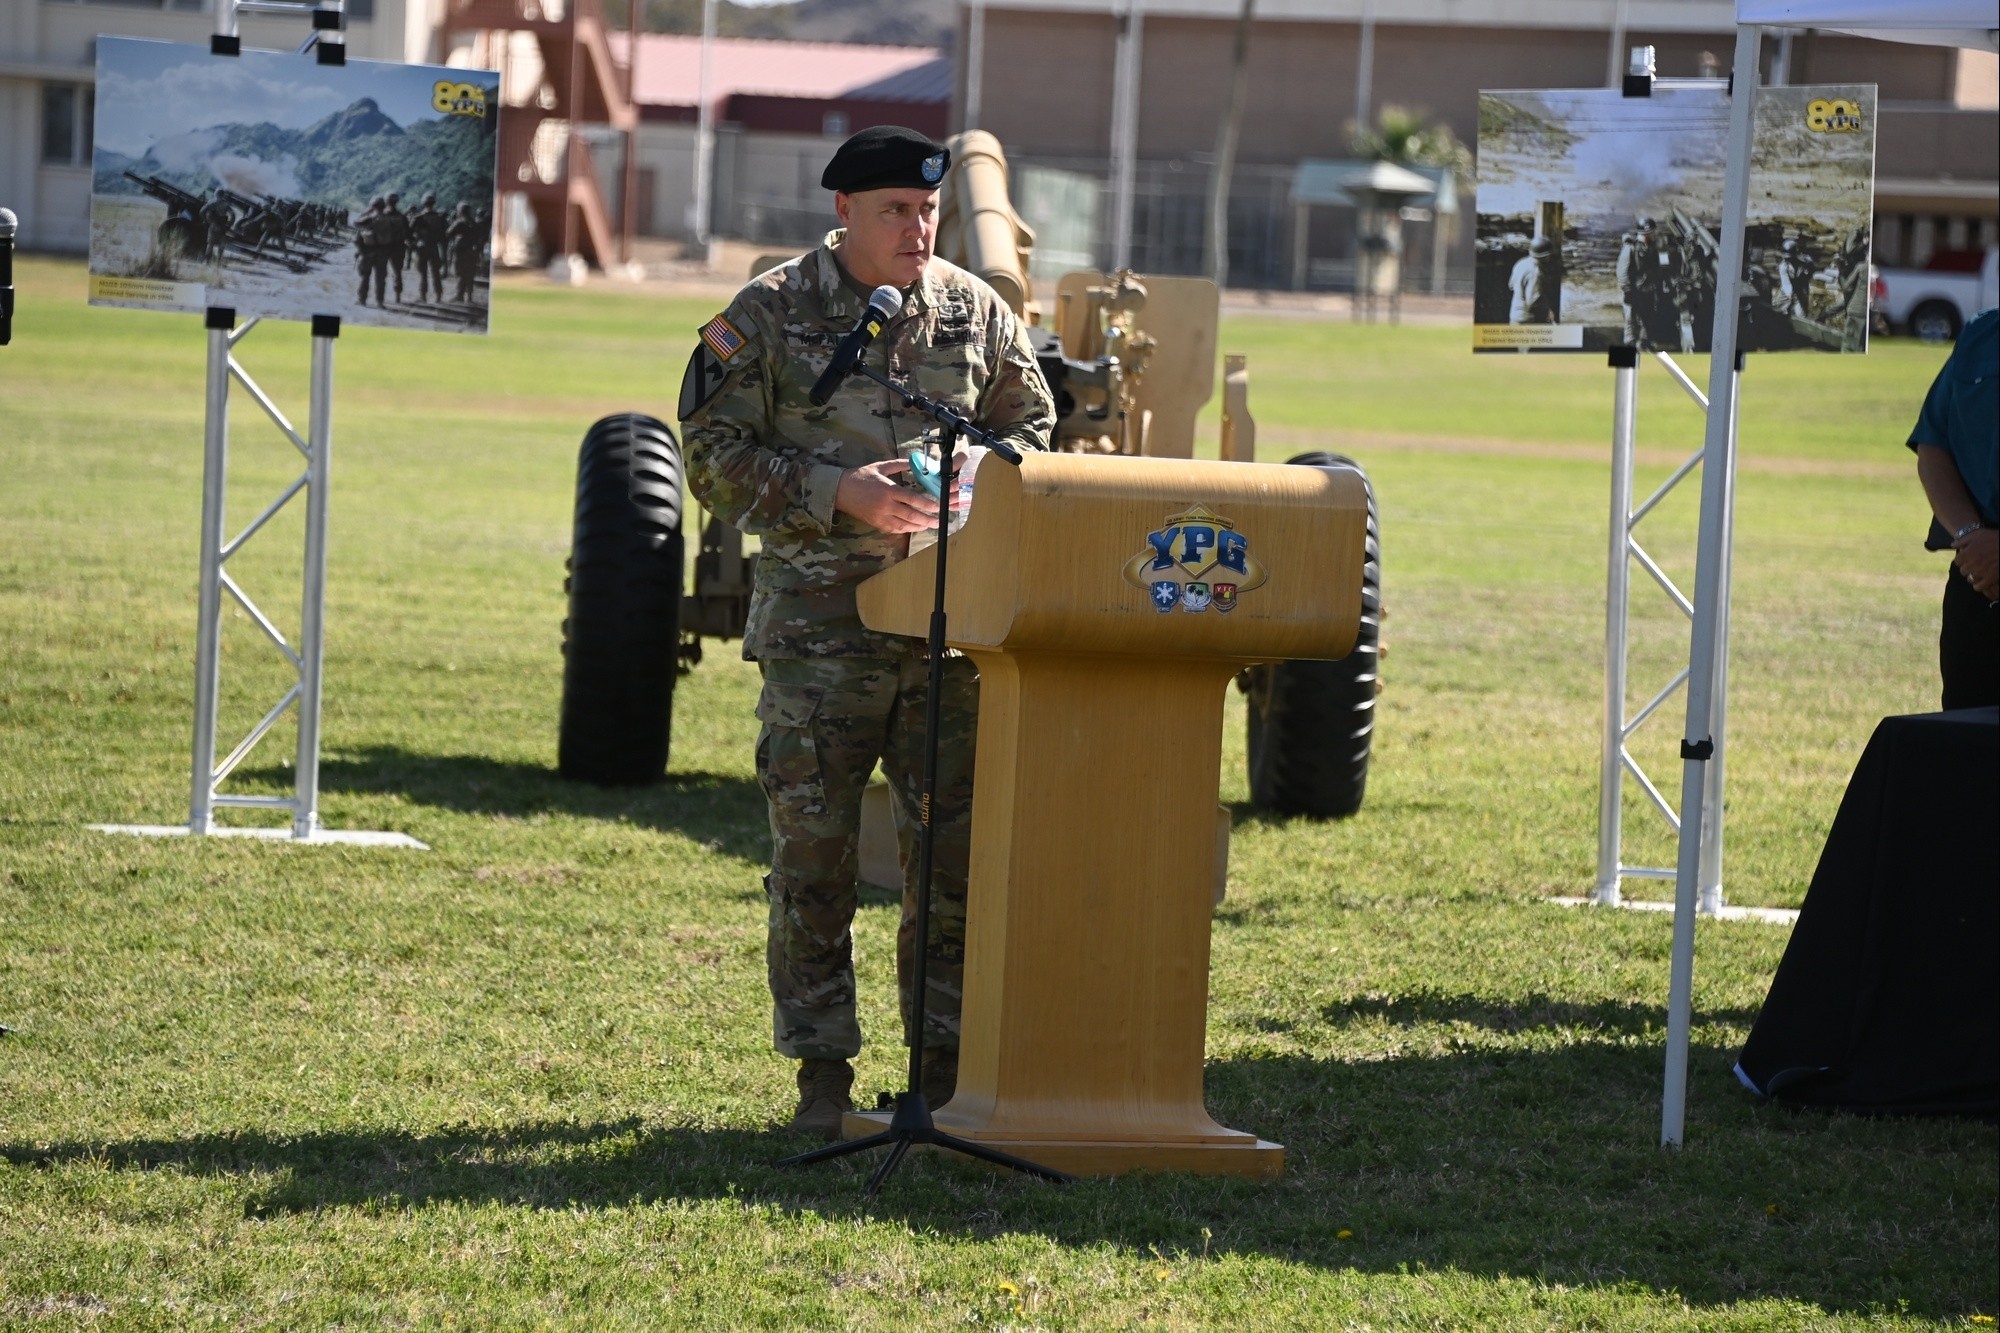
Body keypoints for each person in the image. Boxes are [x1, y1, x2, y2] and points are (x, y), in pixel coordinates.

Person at [678, 125, 1055, 1139]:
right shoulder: (766, 314)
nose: (918, 227)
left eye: (928, 209)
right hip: (819, 640)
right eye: (895, 210)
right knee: (815, 861)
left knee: (953, 869)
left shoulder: (973, 314)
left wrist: (974, 482)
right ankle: (821, 1082)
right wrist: (832, 491)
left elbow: (1033, 434)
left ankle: (935, 1081)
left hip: (946, 641)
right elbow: (708, 454)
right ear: (842, 212)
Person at [1906, 306, 1998, 709]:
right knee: (1967, 749)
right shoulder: (1981, 335)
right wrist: (1970, 537)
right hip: (1978, 579)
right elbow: (1933, 445)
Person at [1507, 235, 1559, 324]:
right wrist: (1547, 311)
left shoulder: (1521, 263)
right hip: (1528, 319)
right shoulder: (1535, 272)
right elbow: (1533, 301)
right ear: (1544, 256)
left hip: (1515, 315)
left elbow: (1511, 285)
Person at [353, 196, 391, 307]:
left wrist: (366, 211)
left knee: (365, 276)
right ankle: (380, 302)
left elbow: (355, 225)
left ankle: (362, 300)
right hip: (382, 253)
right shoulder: (388, 219)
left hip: (368, 252)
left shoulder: (368, 218)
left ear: (372, 206)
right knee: (380, 278)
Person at [410, 193, 448, 304]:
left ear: (423, 203)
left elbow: (408, 233)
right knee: (436, 273)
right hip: (434, 247)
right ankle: (438, 296)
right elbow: (444, 235)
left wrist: (415, 243)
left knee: (423, 273)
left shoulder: (418, 218)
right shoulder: (439, 218)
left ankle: (423, 297)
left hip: (422, 247)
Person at [446, 203, 482, 303]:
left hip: (460, 251)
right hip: (472, 251)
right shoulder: (474, 223)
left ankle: (459, 295)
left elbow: (448, 233)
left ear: (460, 211)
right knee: (470, 273)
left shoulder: (459, 222)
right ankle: (469, 296)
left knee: (460, 273)